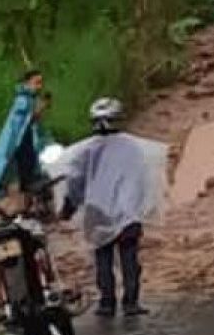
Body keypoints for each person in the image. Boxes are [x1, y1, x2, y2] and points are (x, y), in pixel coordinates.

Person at [60, 98, 154, 318]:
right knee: (129, 258)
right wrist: (141, 205)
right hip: (127, 211)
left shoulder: (86, 150)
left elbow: (75, 181)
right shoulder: (133, 147)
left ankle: (107, 303)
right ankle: (130, 302)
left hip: (98, 211)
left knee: (103, 257)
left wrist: (69, 207)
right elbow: (142, 179)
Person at [0, 70, 47, 203]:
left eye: (41, 83)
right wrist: (37, 110)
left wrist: (38, 111)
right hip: (15, 137)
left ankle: (28, 186)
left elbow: (31, 121)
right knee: (4, 159)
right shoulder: (22, 100)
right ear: (28, 83)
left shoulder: (30, 99)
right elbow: (22, 121)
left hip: (26, 138)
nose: (39, 86)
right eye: (36, 83)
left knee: (28, 159)